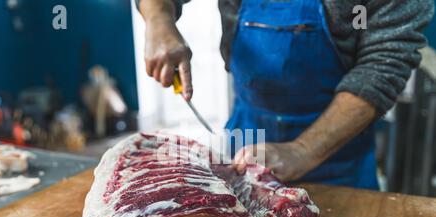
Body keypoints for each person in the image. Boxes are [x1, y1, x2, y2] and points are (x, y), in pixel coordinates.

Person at [136, 0, 434, 189]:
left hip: (339, 163)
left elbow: (384, 62)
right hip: (244, 147)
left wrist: (303, 150)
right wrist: (159, 20)